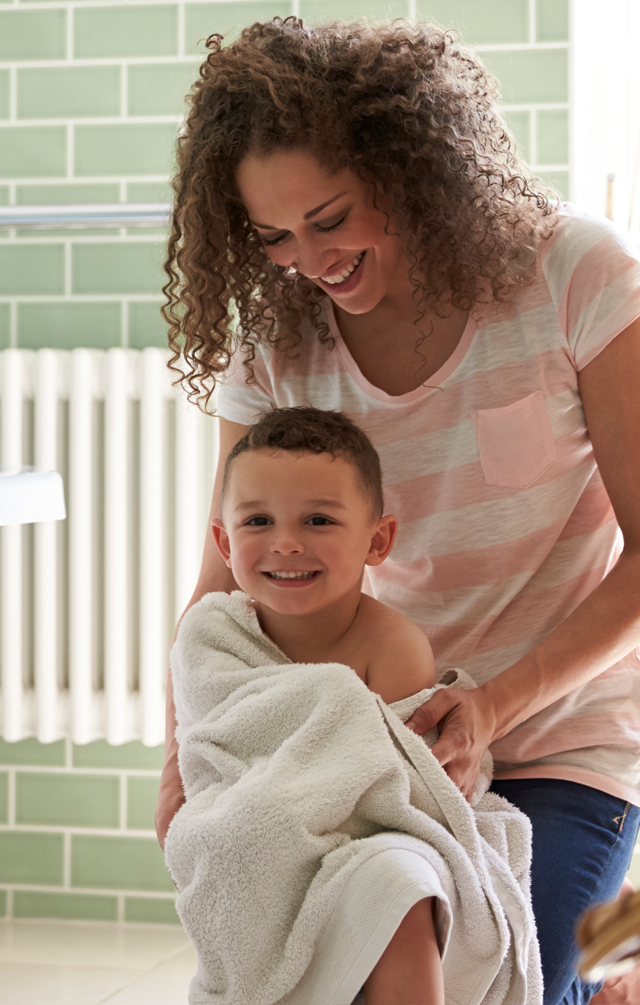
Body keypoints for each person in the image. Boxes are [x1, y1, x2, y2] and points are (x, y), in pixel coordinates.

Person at [155, 17, 640, 1005]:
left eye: (331, 217)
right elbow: (220, 579)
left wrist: (495, 700)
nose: (309, 260)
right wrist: (181, 756)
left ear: (411, 171)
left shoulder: (573, 275)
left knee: (509, 979)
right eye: (272, 236)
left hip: (568, 733)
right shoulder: (279, 339)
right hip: (380, 740)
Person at [193, 404, 443, 1005]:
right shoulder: (213, 638)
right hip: (260, 843)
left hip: (366, 840)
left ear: (377, 540)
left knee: (401, 884)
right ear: (225, 543)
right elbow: (212, 757)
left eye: (318, 521)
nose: (285, 543)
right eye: (257, 520)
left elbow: (399, 787)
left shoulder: (394, 646)